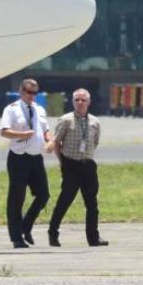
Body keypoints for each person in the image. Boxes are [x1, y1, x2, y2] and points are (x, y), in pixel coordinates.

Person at [47, 88, 107, 247]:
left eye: (83, 100)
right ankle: (53, 233)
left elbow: (95, 142)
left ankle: (93, 237)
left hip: (88, 165)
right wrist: (63, 162)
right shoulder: (65, 120)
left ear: (89, 102)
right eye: (77, 100)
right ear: (73, 102)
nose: (80, 103)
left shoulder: (95, 122)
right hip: (71, 164)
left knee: (92, 204)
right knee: (65, 200)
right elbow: (56, 142)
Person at [0, 79, 51, 249]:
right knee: (16, 199)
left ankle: (26, 226)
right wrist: (21, 134)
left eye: (34, 93)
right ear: (21, 91)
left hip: (36, 157)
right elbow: (4, 131)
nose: (31, 96)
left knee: (43, 195)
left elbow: (45, 130)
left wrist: (49, 141)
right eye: (28, 92)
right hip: (18, 158)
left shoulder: (39, 109)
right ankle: (16, 238)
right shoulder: (12, 109)